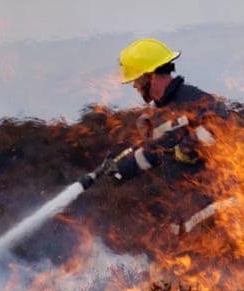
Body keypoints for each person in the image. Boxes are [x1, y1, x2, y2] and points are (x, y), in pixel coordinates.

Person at [80, 38, 229, 237]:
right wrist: (120, 170)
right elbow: (154, 153)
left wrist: (189, 147)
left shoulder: (191, 98)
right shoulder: (159, 115)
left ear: (150, 76)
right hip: (190, 217)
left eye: (136, 79)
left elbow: (221, 123)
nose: (134, 86)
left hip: (220, 211)